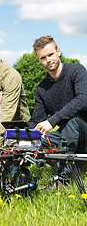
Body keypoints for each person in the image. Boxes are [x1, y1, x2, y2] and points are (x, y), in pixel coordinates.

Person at [28, 35, 87, 185]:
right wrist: (21, 134)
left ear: (58, 52)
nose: (48, 60)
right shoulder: (42, 88)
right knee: (37, 142)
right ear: (39, 60)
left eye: (50, 55)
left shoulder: (76, 70)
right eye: (43, 58)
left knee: (70, 119)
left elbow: (82, 99)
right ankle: (74, 166)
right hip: (67, 136)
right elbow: (36, 120)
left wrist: (52, 120)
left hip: (84, 131)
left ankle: (62, 180)